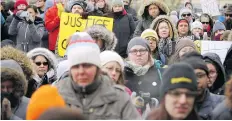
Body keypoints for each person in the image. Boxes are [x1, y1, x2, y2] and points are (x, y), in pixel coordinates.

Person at [54, 32, 141, 119]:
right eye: (76, 66)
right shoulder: (55, 95)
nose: (81, 71)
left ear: (97, 68)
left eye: (87, 65)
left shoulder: (119, 97)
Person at [124, 37, 163, 114]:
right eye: (134, 51)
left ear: (149, 53)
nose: (138, 54)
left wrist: (156, 103)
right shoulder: (121, 74)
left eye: (142, 50)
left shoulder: (160, 72)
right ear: (128, 54)